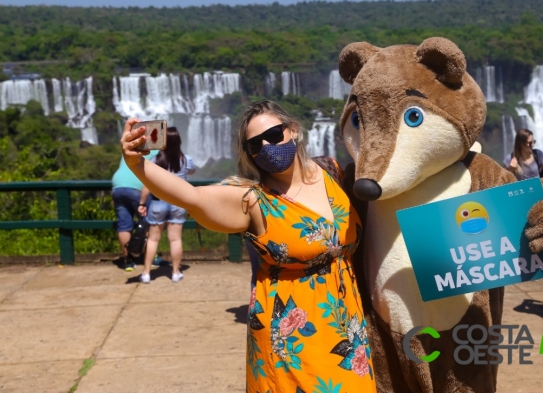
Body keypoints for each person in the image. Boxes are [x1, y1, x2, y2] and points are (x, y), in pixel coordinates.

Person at [121, 100, 376, 392]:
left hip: (348, 334)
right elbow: (190, 197)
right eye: (256, 145)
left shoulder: (332, 172)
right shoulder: (253, 200)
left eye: (274, 135)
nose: (267, 147)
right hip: (291, 345)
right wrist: (136, 164)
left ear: (292, 130)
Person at [137, 127, 195, 284]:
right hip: (178, 203)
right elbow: (192, 171)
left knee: (153, 240)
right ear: (179, 142)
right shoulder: (186, 160)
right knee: (175, 240)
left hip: (158, 203)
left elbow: (147, 184)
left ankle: (146, 273)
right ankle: (175, 273)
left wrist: (142, 203)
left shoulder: (155, 160)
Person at [111, 150, 162, 271]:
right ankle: (150, 258)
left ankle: (128, 261)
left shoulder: (131, 147)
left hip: (118, 185)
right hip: (138, 185)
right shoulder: (155, 149)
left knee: (124, 225)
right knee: (148, 223)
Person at [504, 128, 543, 198]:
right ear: (521, 144)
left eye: (534, 142)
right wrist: (511, 169)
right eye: (529, 143)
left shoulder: (538, 155)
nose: (532, 145)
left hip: (538, 195)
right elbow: (503, 182)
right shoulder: (509, 159)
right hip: (521, 197)